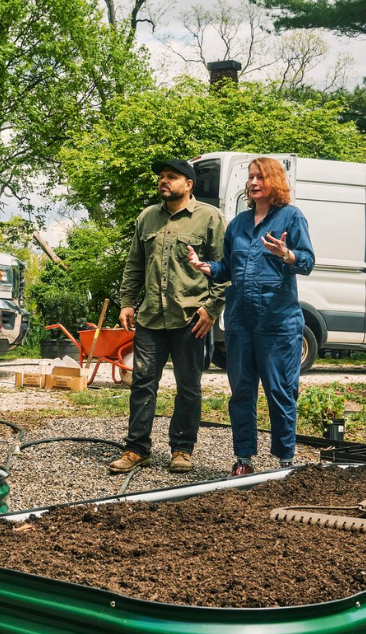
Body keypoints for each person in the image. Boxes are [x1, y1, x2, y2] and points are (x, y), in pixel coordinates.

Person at [187, 156, 314, 475]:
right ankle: (243, 458)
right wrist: (208, 268)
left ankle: (286, 459)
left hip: (278, 322)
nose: (254, 182)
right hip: (241, 321)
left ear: (275, 182)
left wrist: (287, 254)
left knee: (280, 390)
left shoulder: (291, 217)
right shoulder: (239, 224)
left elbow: (308, 262)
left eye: (261, 177)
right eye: (251, 177)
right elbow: (227, 268)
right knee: (241, 391)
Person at [108, 159, 228, 474]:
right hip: (150, 318)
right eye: (161, 177)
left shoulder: (210, 218)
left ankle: (182, 450)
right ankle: (137, 449)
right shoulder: (147, 218)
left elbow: (226, 269)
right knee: (143, 383)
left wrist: (212, 309)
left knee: (189, 385)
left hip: (192, 317)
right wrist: (127, 302)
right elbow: (134, 263)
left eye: (171, 177)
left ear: (188, 184)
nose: (163, 181)